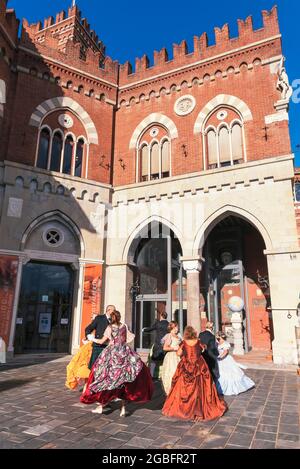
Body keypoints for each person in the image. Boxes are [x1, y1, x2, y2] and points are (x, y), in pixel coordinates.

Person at [81, 311, 154, 417]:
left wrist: (92, 339)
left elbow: (102, 341)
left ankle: (101, 406)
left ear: (111, 318)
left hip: (112, 353)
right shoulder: (124, 326)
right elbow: (129, 339)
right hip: (124, 352)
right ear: (119, 317)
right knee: (123, 380)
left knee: (104, 377)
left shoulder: (110, 327)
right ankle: (123, 409)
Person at [162, 326, 227, 422]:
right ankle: (198, 408)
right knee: (200, 387)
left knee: (182, 386)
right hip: (198, 366)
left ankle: (184, 408)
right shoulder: (198, 341)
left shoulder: (184, 343)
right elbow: (202, 350)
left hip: (186, 365)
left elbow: (178, 354)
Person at [85, 305, 116, 369]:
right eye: (114, 311)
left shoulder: (114, 320)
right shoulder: (99, 318)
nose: (115, 312)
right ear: (108, 310)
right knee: (95, 367)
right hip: (98, 346)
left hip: (109, 347)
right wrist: (89, 336)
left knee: (106, 367)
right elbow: (88, 328)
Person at [143, 311, 169, 378]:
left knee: (153, 360)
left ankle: (151, 375)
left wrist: (143, 330)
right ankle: (164, 376)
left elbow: (150, 329)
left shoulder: (158, 323)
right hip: (166, 344)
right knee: (165, 361)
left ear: (161, 316)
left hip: (158, 344)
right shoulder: (169, 324)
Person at [161, 322, 182, 395]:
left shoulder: (178, 336)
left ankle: (178, 391)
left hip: (178, 356)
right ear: (172, 327)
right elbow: (165, 347)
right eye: (176, 327)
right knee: (172, 373)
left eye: (177, 327)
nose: (177, 329)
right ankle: (171, 391)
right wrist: (174, 348)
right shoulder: (169, 336)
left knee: (179, 373)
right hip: (171, 357)